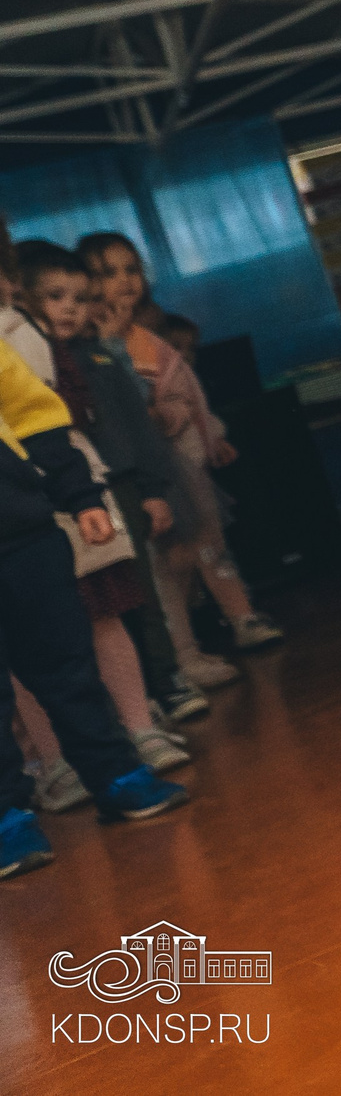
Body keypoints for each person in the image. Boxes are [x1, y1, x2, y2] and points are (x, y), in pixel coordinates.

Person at [0, 336, 189, 879]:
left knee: (69, 665)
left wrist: (80, 494)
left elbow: (32, 413)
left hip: (23, 534)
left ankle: (115, 776)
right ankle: (7, 818)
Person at [15, 246, 195, 775]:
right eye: (55, 296)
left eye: (79, 298)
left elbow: (113, 423)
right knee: (31, 638)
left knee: (108, 611)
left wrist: (136, 488)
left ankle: (140, 725)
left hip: (80, 488)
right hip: (23, 504)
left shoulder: (80, 354)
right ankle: (58, 762)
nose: (71, 308)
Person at [77, 231, 280, 663]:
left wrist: (209, 434)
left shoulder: (148, 338)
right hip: (146, 471)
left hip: (181, 462)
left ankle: (242, 617)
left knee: (209, 543)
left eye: (131, 269)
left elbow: (186, 393)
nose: (125, 281)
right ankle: (184, 653)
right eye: (108, 273)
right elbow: (125, 404)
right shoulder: (91, 345)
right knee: (169, 564)